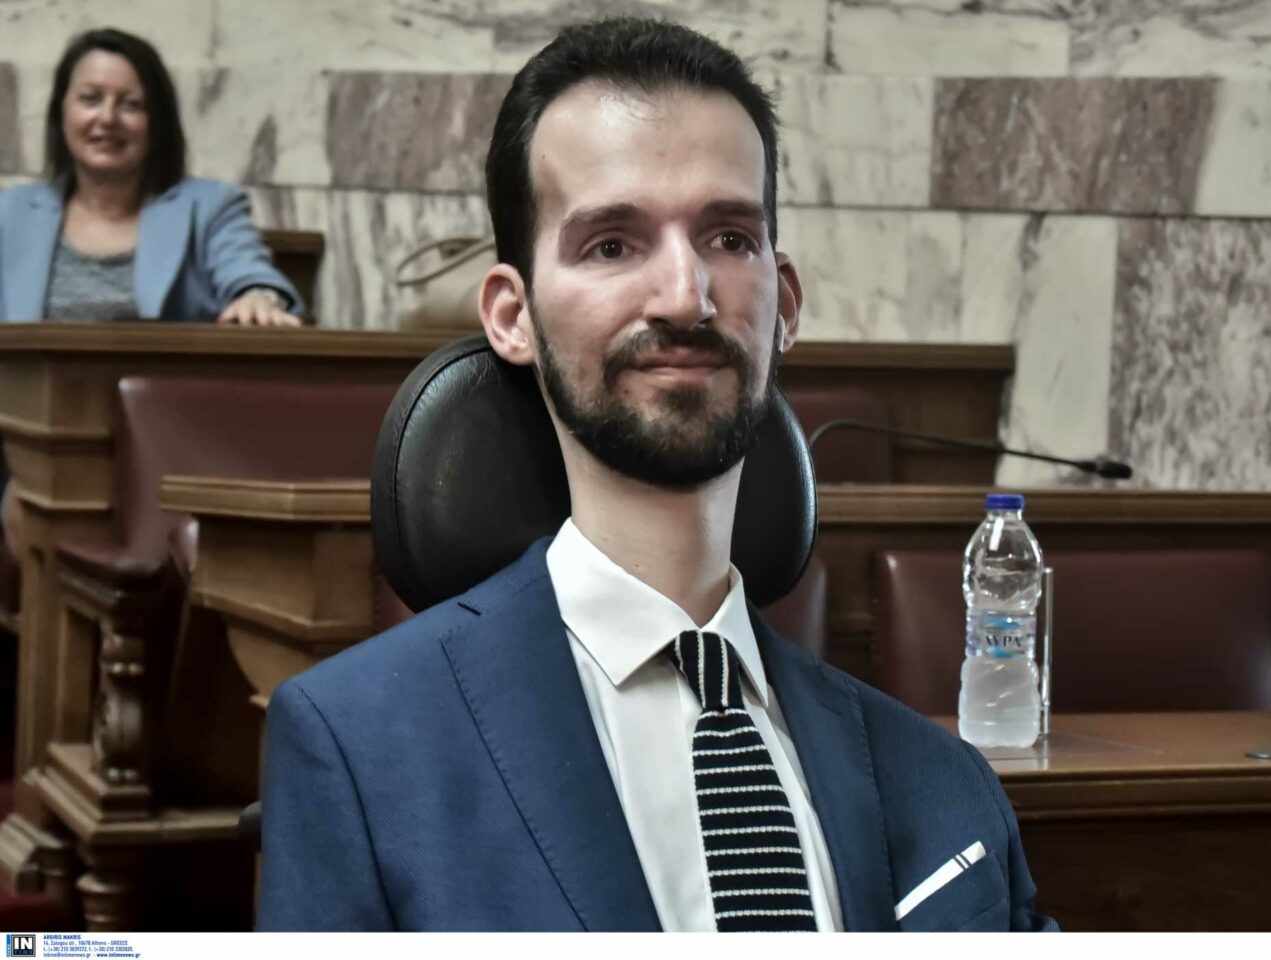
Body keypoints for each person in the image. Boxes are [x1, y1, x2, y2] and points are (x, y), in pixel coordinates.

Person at [258, 18, 1054, 932]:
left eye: (729, 238)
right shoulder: (359, 747)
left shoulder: (944, 783)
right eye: (612, 244)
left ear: (785, 304)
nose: (685, 296)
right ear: (513, 316)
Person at [0, 28, 302, 326]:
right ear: (61, 112)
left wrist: (259, 297)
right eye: (90, 99)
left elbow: (250, 273)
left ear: (157, 121)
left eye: (131, 104)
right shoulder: (8, 213)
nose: (108, 118)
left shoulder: (211, 207)